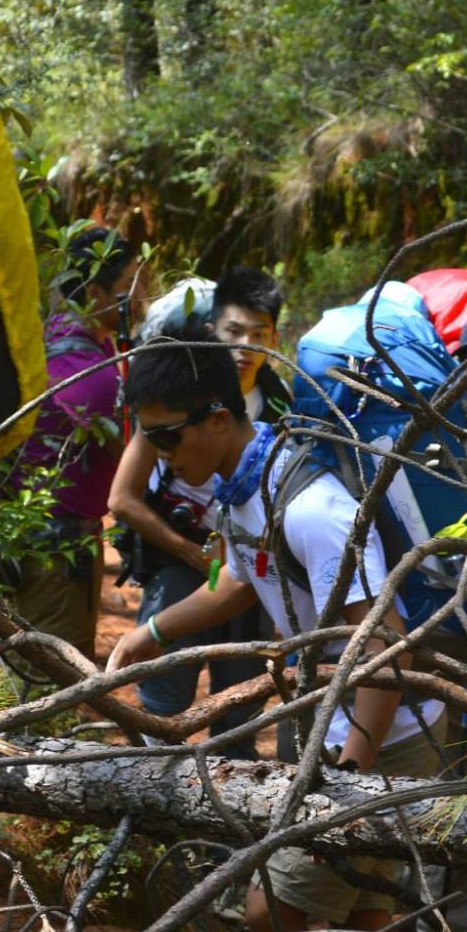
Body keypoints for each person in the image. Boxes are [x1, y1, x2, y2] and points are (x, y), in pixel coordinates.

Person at [105, 340, 446, 932]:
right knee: (362, 919)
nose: (161, 457)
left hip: (381, 733)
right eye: (149, 440)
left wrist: (350, 776)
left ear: (217, 420)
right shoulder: (243, 487)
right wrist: (151, 633)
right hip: (340, 723)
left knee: (269, 916)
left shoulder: (313, 509)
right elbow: (241, 579)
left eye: (166, 437)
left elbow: (383, 642)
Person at [106, 267, 286, 754]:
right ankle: (152, 777)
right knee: (164, 694)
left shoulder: (281, 406)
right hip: (185, 567)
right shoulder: (176, 398)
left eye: (259, 334)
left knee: (239, 700)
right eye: (234, 331)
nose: (245, 347)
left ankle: (234, 782)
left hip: (248, 570)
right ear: (212, 330)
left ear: (276, 338)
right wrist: (193, 554)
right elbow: (122, 499)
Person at [10, 226, 143, 656]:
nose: (139, 298)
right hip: (53, 553)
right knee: (52, 668)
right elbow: (133, 455)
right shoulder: (83, 368)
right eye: (129, 286)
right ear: (93, 293)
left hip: (60, 544)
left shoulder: (69, 339)